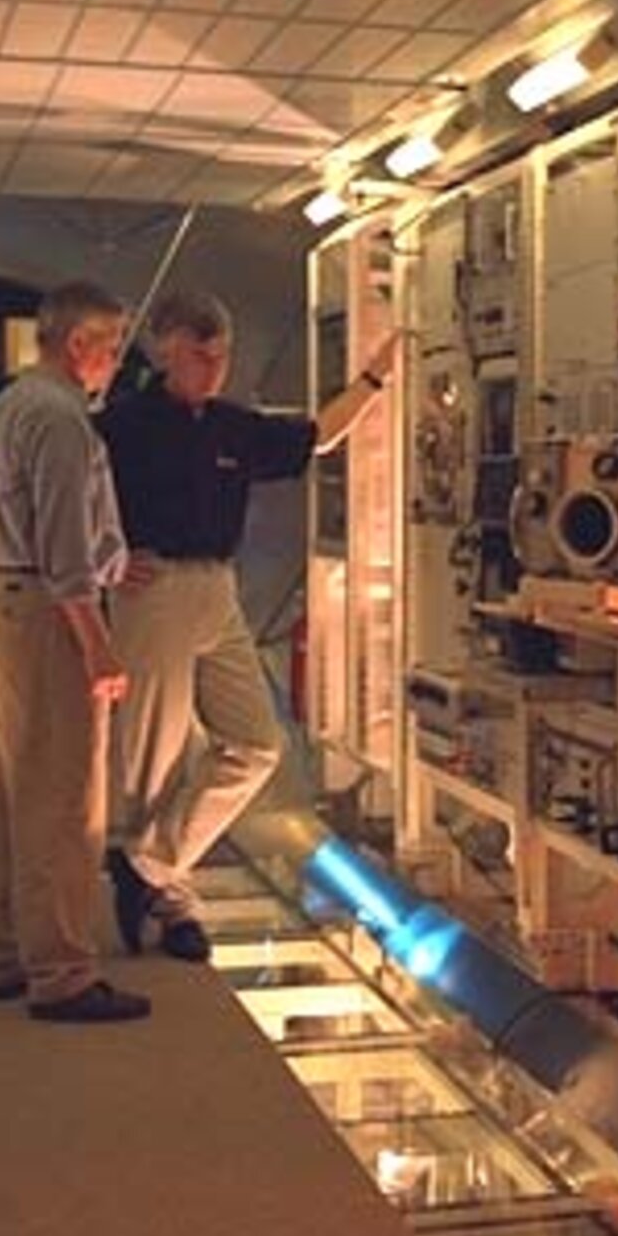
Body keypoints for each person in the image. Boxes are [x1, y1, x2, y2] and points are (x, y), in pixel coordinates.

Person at [99, 288, 399, 961]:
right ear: (164, 351)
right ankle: (174, 904)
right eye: (199, 355)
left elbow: (319, 435)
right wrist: (104, 562)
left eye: (222, 355)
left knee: (256, 744)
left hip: (217, 588)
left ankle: (143, 866)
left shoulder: (234, 426)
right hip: (156, 593)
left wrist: (377, 377)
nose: (213, 367)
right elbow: (70, 499)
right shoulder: (123, 427)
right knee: (155, 764)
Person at [0, 280, 148, 1023]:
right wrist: (100, 646)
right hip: (46, 613)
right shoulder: (63, 421)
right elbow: (66, 550)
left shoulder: (11, 406)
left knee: (10, 787)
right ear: (79, 344)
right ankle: (65, 972)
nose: (114, 362)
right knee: (66, 795)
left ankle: (9, 950)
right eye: (110, 346)